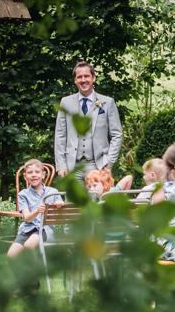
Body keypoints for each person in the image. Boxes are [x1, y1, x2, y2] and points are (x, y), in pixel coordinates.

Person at [54, 61, 123, 181]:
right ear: (75, 80)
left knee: (96, 200)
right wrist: (61, 165)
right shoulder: (66, 102)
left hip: (98, 165)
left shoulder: (108, 102)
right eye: (79, 77)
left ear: (93, 78)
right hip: (72, 166)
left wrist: (108, 162)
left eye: (86, 76)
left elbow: (117, 134)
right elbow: (60, 135)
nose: (83, 80)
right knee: (73, 200)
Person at [7, 159, 63, 297]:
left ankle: (32, 282)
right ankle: (23, 282)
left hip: (44, 229)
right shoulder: (23, 195)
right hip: (28, 228)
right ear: (25, 176)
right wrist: (38, 211)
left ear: (43, 174)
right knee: (11, 255)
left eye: (37, 172)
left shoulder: (52, 191)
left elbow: (61, 205)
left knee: (29, 246)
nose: (34, 175)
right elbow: (27, 218)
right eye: (30, 172)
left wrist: (60, 204)